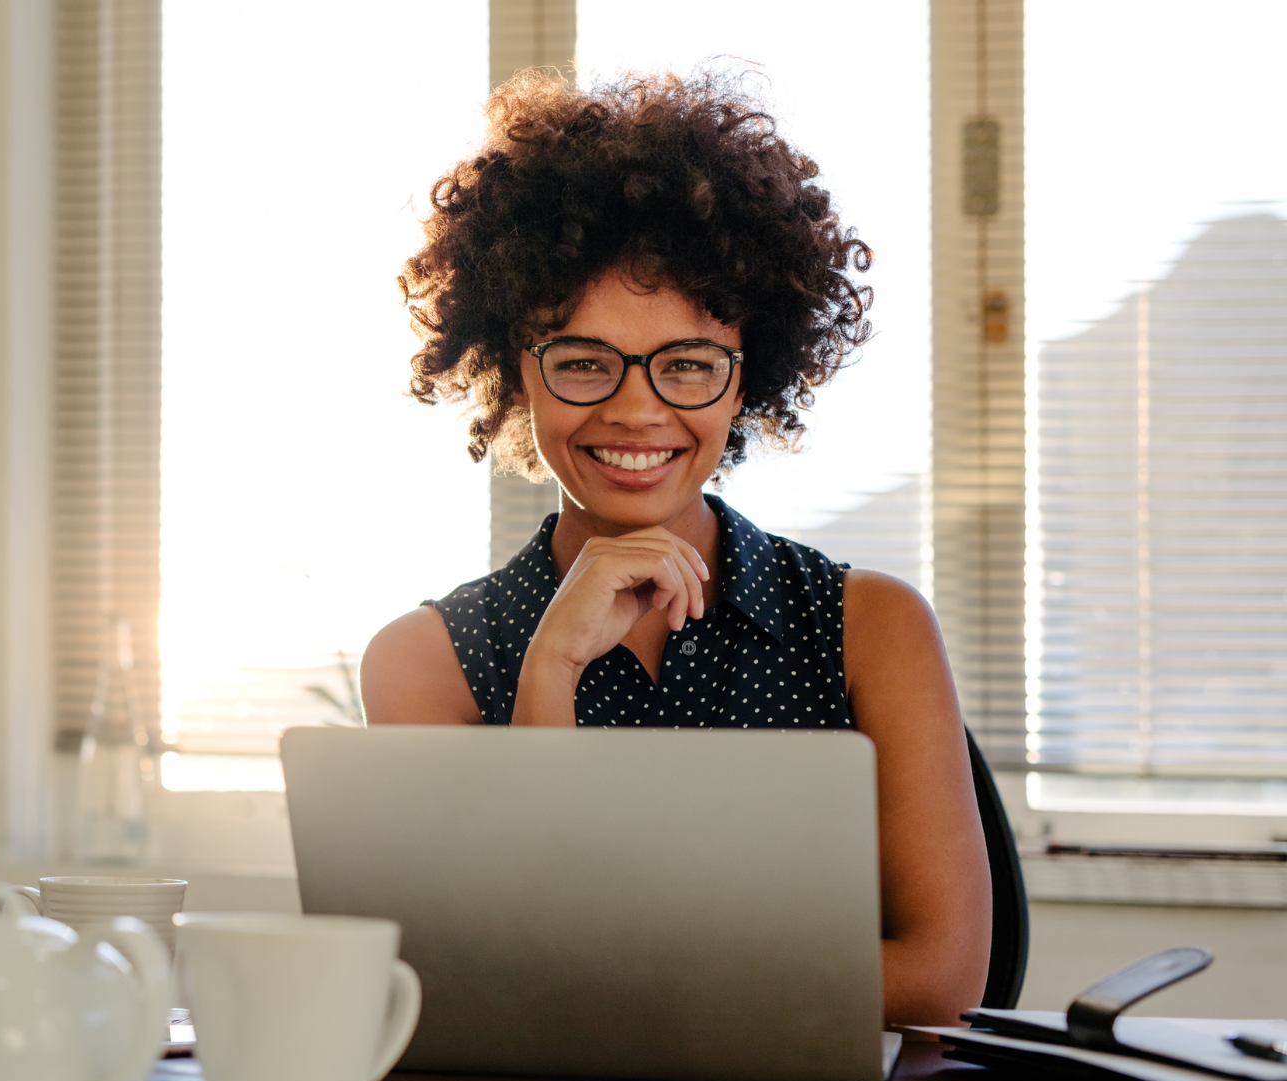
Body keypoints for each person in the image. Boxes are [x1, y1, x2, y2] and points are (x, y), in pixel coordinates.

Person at [361, 70, 991, 1029]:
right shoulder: (423, 661)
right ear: (516, 374)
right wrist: (551, 673)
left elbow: (941, 973)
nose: (636, 407)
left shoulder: (874, 628)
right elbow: (482, 966)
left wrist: (627, 987)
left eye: (688, 364)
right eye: (582, 360)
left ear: (749, 379)